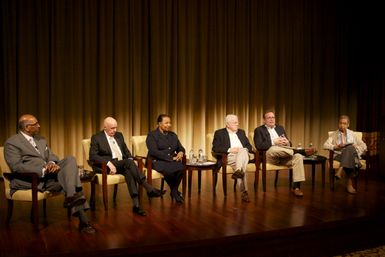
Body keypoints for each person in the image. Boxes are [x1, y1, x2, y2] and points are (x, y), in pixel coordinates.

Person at [4, 114, 95, 233]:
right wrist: (43, 169)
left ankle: (70, 196)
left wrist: (52, 162)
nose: (39, 126)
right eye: (36, 124)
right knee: (70, 182)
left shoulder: (41, 139)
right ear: (27, 127)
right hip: (32, 179)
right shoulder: (12, 143)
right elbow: (16, 166)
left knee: (70, 159)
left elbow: (51, 155)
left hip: (50, 174)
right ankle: (83, 221)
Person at [89, 117, 165, 216]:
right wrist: (108, 163)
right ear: (105, 127)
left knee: (129, 170)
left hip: (122, 164)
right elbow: (92, 156)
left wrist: (131, 159)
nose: (114, 130)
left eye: (115, 128)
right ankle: (148, 188)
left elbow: (126, 151)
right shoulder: (97, 138)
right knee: (128, 163)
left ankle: (136, 206)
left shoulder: (119, 135)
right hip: (107, 166)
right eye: (112, 128)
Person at [254, 111, 305, 197]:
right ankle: (300, 151)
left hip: (284, 156)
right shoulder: (259, 130)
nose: (271, 119)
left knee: (298, 157)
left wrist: (287, 143)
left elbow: (289, 144)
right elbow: (259, 146)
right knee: (274, 148)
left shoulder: (280, 128)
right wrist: (274, 142)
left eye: (273, 117)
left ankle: (296, 188)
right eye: (269, 117)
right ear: (264, 120)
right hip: (269, 156)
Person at [212, 114, 253, 202]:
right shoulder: (219, 133)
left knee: (243, 151)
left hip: (244, 155)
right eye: (235, 123)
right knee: (243, 168)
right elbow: (215, 148)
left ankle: (238, 172)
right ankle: (243, 191)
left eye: (237, 122)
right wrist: (230, 149)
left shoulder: (241, 132)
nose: (237, 124)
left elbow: (249, 146)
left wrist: (242, 149)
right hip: (229, 156)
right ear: (227, 124)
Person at [146, 114, 186, 203]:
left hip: (170, 161)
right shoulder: (152, 135)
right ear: (159, 123)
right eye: (166, 123)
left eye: (169, 123)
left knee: (182, 168)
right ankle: (175, 192)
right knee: (169, 171)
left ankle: (174, 191)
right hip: (156, 160)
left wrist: (181, 152)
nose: (169, 125)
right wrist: (170, 158)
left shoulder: (173, 135)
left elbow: (180, 147)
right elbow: (153, 151)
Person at [323, 115, 367, 194]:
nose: (342, 125)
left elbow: (364, 146)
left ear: (348, 125)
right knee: (350, 150)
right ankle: (350, 183)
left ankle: (341, 168)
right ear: (338, 123)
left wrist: (356, 147)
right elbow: (325, 145)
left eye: (344, 123)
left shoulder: (353, 134)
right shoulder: (334, 134)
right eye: (340, 123)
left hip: (349, 154)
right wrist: (336, 146)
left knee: (350, 148)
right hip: (339, 155)